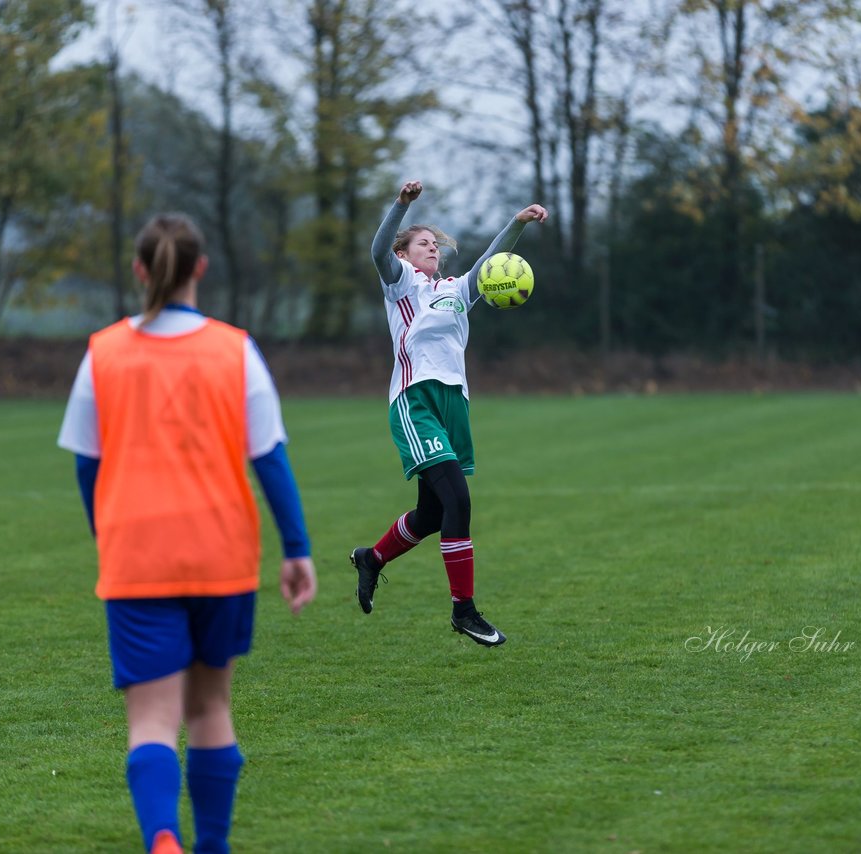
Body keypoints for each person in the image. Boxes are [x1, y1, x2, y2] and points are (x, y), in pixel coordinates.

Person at [57, 213, 317, 854]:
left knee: (151, 718)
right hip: (220, 555)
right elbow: (271, 459)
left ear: (141, 270)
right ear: (200, 268)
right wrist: (296, 548)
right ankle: (212, 846)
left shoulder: (103, 352)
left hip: (138, 559)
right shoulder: (235, 350)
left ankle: (163, 839)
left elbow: (86, 467)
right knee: (211, 710)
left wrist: (107, 536)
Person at [349, 180, 548, 647]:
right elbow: (378, 247)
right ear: (405, 254)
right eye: (424, 243)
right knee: (458, 501)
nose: (433, 248)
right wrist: (401, 206)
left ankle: (372, 558)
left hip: (454, 404)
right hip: (415, 400)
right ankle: (464, 611)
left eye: (436, 244)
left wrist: (516, 223)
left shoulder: (457, 291)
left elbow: (489, 265)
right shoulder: (399, 280)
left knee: (432, 514)